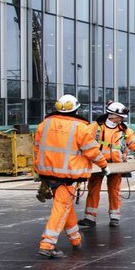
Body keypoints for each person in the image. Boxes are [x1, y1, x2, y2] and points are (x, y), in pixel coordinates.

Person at [32, 95, 107, 258]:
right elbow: (91, 150)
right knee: (61, 208)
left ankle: (75, 239)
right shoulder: (80, 127)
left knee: (66, 206)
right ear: (76, 109)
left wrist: (37, 170)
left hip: (48, 173)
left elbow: (37, 149)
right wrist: (104, 165)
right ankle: (47, 244)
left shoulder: (43, 125)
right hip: (68, 175)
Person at [80, 101, 135, 228]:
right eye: (120, 117)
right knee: (93, 190)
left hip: (117, 166)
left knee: (114, 191)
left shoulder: (124, 130)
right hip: (98, 164)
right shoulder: (95, 128)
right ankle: (90, 218)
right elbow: (82, 142)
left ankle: (114, 217)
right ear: (112, 115)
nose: (121, 120)